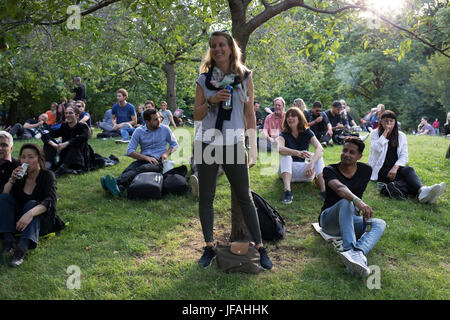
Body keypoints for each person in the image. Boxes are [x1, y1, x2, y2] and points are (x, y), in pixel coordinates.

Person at [193, 30, 273, 270]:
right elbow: (196, 114)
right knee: (206, 197)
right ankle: (209, 247)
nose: (217, 49)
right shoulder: (203, 80)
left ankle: (259, 247)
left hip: (234, 143)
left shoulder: (245, 77)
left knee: (245, 197)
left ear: (230, 47)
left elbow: (249, 114)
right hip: (207, 141)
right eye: (213, 46)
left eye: (222, 45)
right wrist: (212, 100)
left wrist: (252, 146)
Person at [319, 137, 386, 277]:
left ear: (359, 156)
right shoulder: (329, 170)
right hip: (329, 220)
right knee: (346, 201)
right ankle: (349, 249)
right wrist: (359, 202)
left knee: (379, 223)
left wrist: (359, 209)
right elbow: (340, 188)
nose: (346, 154)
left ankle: (357, 252)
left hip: (350, 218)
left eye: (351, 152)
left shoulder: (366, 170)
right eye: (344, 150)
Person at [0, 143, 65, 267]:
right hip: (20, 221)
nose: (26, 161)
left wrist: (30, 213)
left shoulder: (47, 175)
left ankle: (21, 250)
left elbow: (50, 200)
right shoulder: (20, 177)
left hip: (40, 220)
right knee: (3, 198)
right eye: (23, 157)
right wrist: (12, 180)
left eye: (30, 157)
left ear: (39, 159)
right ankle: (8, 242)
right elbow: (4, 197)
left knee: (31, 204)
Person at [368, 110, 446, 203]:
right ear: (381, 122)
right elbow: (376, 149)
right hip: (380, 168)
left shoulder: (401, 136)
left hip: (395, 167)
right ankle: (425, 192)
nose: (389, 123)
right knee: (406, 180)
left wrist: (395, 167)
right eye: (386, 121)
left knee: (409, 170)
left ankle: (423, 191)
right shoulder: (375, 133)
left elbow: (404, 155)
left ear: (395, 122)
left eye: (391, 121)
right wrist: (385, 133)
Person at [102, 109, 178, 196]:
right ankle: (118, 188)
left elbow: (174, 145)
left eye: (159, 118)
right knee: (130, 169)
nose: (159, 121)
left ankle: (115, 183)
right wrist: (146, 158)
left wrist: (166, 154)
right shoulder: (139, 131)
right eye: (155, 119)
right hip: (143, 159)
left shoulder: (165, 129)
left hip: (158, 162)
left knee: (142, 169)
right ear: (147, 121)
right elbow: (130, 151)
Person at [278, 107, 326, 204]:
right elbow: (279, 149)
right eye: (288, 116)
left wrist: (311, 163)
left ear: (299, 118)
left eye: (293, 116)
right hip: (287, 172)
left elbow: (320, 148)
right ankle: (287, 191)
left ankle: (324, 191)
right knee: (286, 156)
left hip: (306, 173)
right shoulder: (283, 133)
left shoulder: (307, 131)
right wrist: (296, 153)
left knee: (317, 156)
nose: (290, 118)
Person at [41, 106, 91, 177]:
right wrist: (54, 145)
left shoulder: (82, 126)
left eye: (70, 113)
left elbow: (84, 137)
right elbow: (46, 134)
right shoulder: (64, 126)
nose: (67, 115)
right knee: (48, 143)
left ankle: (61, 170)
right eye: (66, 113)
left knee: (75, 143)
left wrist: (67, 143)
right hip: (65, 154)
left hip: (79, 155)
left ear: (77, 115)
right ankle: (48, 167)